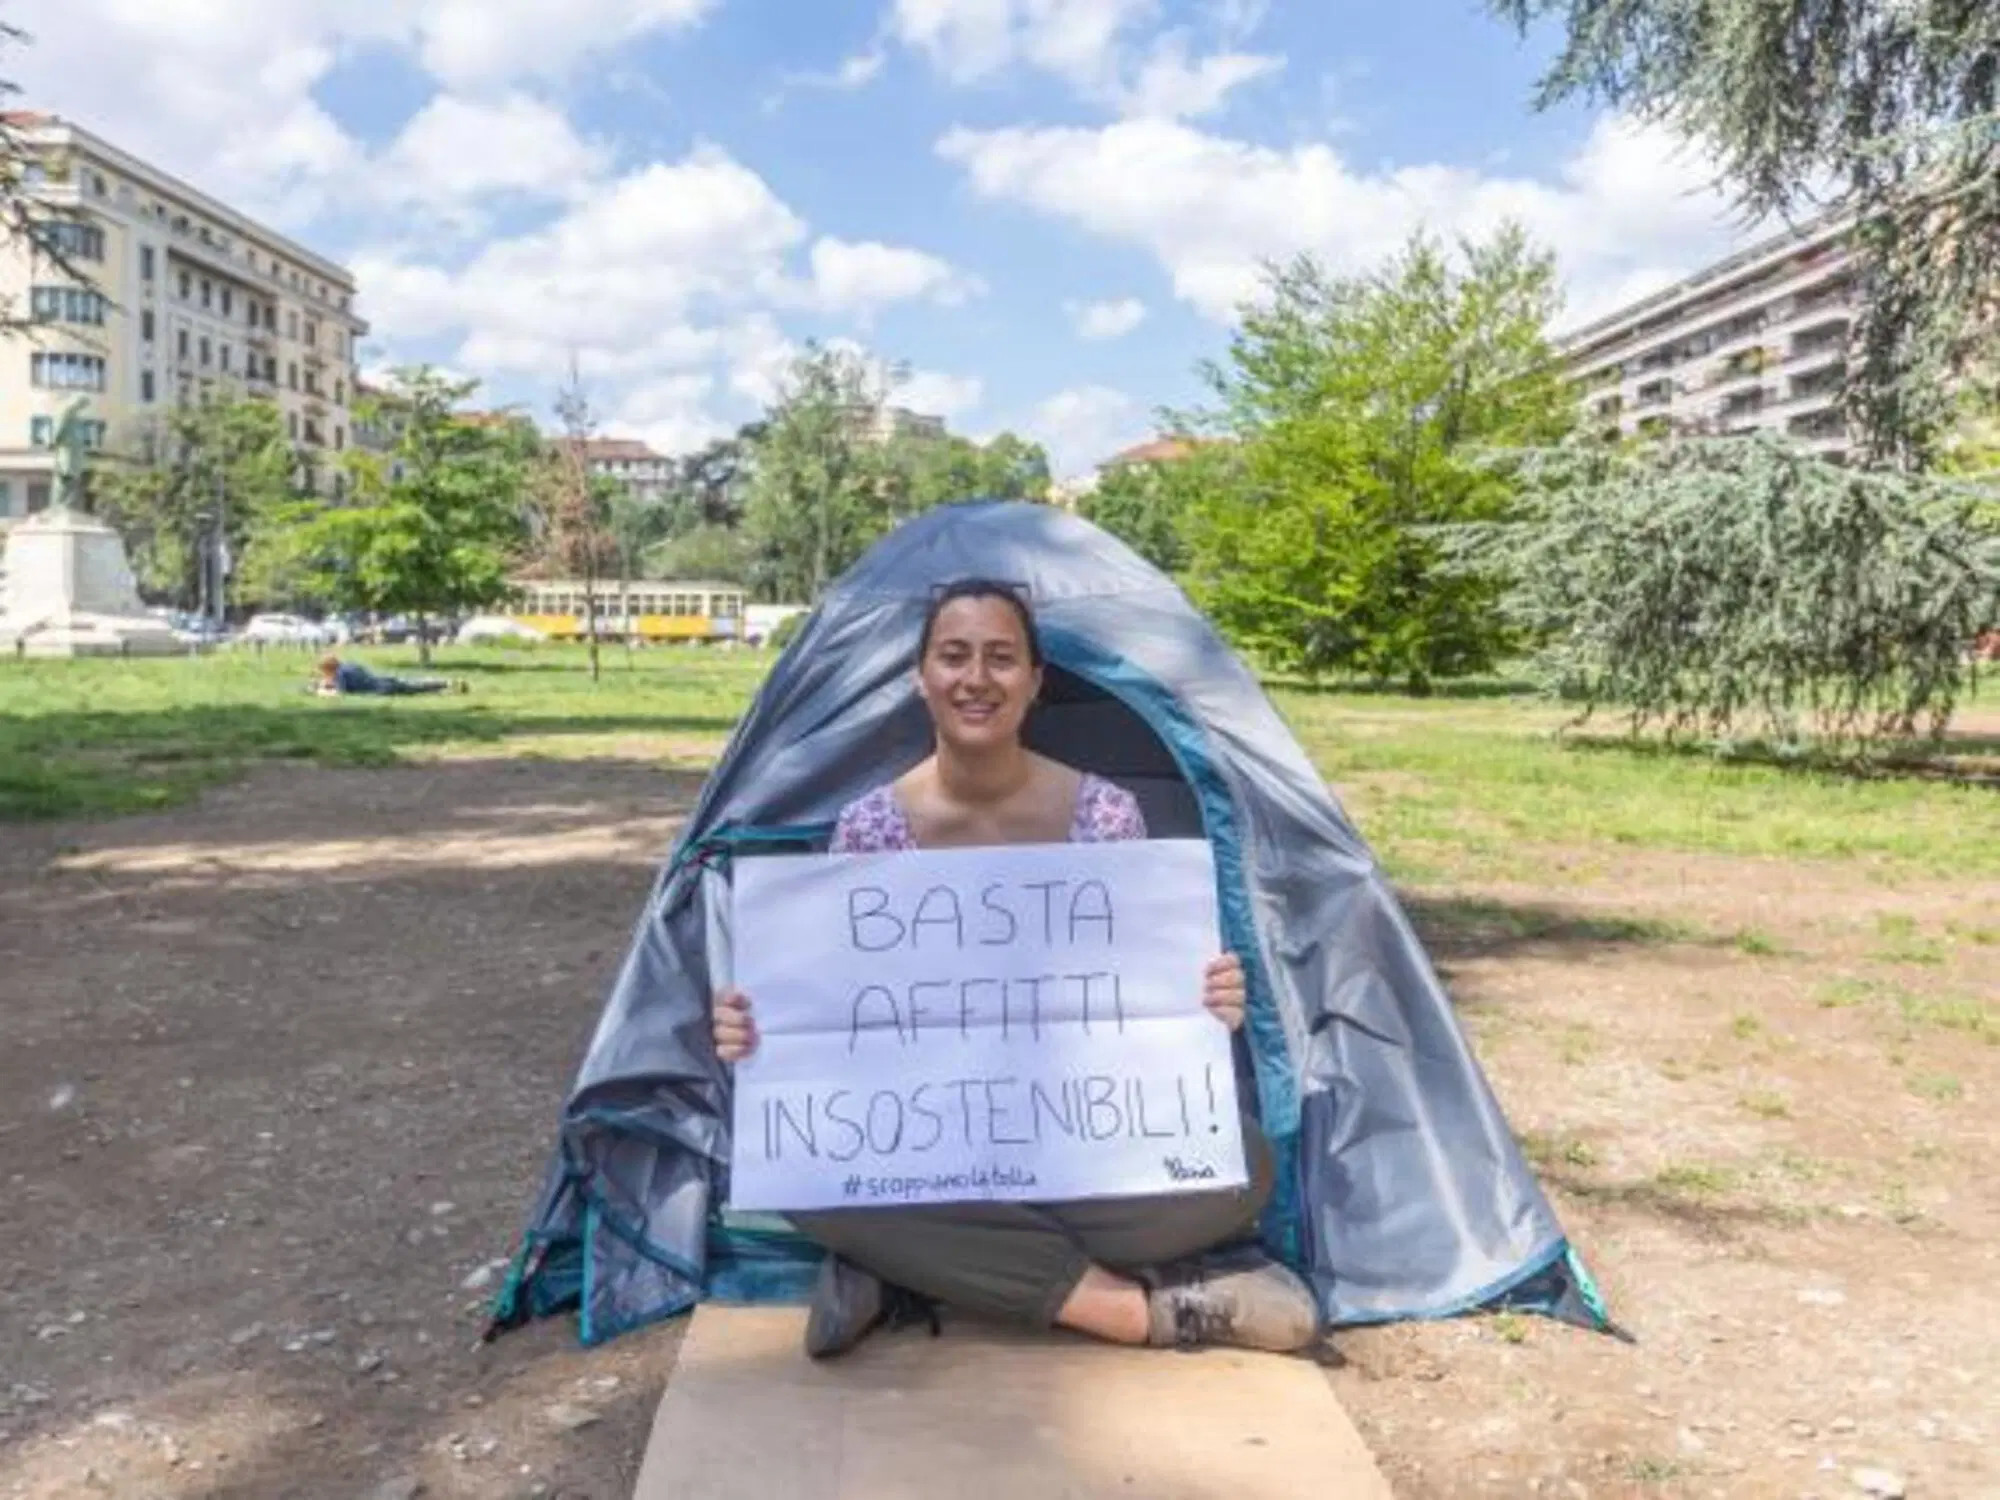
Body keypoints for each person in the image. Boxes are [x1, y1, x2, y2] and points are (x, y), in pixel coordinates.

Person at [712, 578, 1322, 1361]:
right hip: (926, 1139)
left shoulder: (1106, 817)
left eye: (1001, 659)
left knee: (1244, 1166)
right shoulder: (868, 828)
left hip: (1076, 1135)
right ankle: (1139, 1313)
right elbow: (838, 1027)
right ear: (919, 677)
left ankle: (909, 1265)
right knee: (792, 1165)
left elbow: (1141, 1004)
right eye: (953, 656)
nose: (976, 678)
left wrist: (1204, 1005)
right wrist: (760, 1032)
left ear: (1035, 683)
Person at [312, 655, 464, 697]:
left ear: (328, 668)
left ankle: (447, 691)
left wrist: (322, 691)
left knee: (415, 690)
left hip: (380, 690)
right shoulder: (349, 665)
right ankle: (448, 683)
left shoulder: (339, 674)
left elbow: (340, 693)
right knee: (415, 685)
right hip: (383, 680)